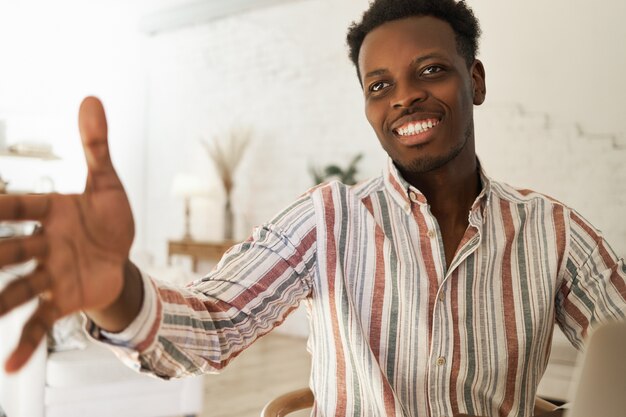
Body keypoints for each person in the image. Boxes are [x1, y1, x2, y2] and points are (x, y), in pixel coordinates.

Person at [0, 0, 624, 416]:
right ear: (367, 106)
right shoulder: (329, 219)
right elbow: (214, 324)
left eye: (430, 71)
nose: (404, 98)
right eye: (379, 85)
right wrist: (119, 291)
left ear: (476, 80)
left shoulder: (553, 232)